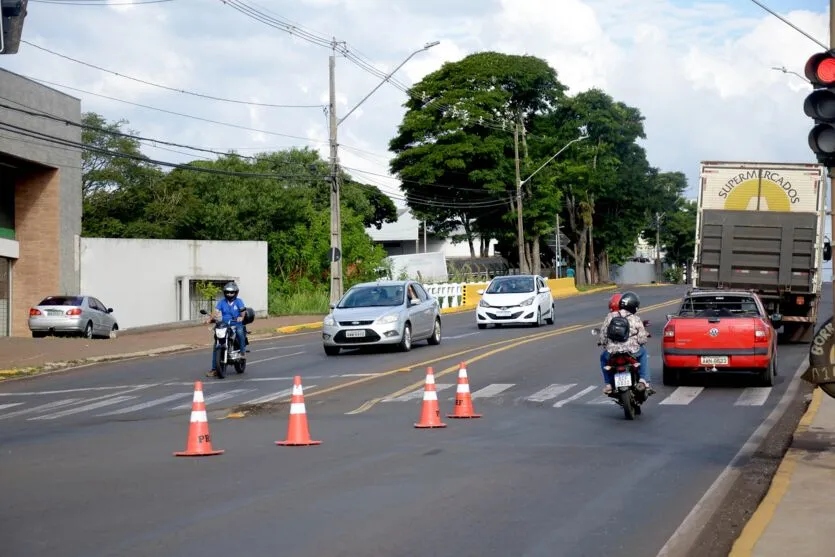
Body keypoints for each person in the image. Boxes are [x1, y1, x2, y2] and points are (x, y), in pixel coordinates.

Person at [597, 291, 651, 395]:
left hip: (612, 352)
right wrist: (641, 341)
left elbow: (603, 335)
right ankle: (643, 380)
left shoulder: (610, 316)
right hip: (632, 351)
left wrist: (605, 344)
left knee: (603, 358)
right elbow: (642, 339)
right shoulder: (635, 319)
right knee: (643, 353)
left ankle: (608, 384)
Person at [206, 282, 248, 376]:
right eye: (227, 292)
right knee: (216, 343)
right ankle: (214, 369)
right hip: (224, 324)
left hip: (236, 324)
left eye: (231, 292)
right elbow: (216, 312)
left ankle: (242, 352)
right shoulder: (222, 302)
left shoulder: (239, 301)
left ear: (235, 293)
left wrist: (241, 317)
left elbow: (243, 311)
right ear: (225, 293)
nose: (229, 294)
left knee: (240, 331)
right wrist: (210, 319)